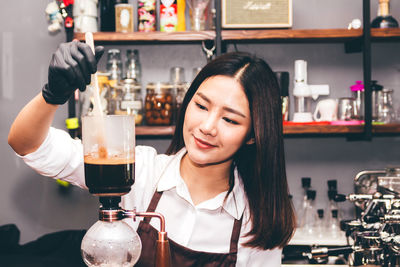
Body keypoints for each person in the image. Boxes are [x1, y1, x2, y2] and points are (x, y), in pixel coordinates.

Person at [8, 41, 295, 266]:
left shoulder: (257, 220)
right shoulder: (139, 171)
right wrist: (52, 95)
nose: (207, 127)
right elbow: (28, 145)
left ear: (253, 136)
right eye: (201, 106)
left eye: (230, 120)